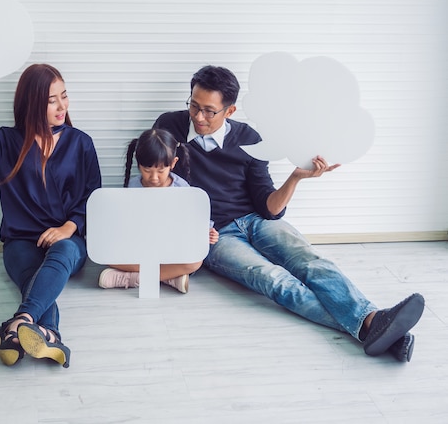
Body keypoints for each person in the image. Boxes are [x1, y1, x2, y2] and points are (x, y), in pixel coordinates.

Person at [153, 65, 424, 362]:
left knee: (310, 261)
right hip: (214, 233)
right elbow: (157, 184)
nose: (198, 116)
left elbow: (268, 208)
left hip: (255, 219)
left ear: (229, 111)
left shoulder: (249, 138)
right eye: (193, 105)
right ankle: (375, 326)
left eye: (209, 111)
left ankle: (374, 325)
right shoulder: (169, 127)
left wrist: (295, 178)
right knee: (273, 279)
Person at [0, 63, 102, 368]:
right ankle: (47, 334)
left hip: (68, 242)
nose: (62, 106)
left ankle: (17, 325)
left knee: (61, 252)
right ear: (32, 103)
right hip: (20, 243)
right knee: (33, 281)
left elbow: (93, 196)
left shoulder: (81, 143)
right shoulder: (5, 141)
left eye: (64, 96)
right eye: (52, 100)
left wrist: (68, 227)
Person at [98, 128, 219, 294]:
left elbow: (195, 220)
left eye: (161, 171)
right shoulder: (134, 186)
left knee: (195, 262)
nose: (154, 177)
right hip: (140, 245)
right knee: (106, 255)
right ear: (138, 164)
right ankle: (169, 277)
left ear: (173, 163)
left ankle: (130, 278)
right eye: (147, 170)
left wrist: (207, 232)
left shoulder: (181, 188)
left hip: (171, 247)